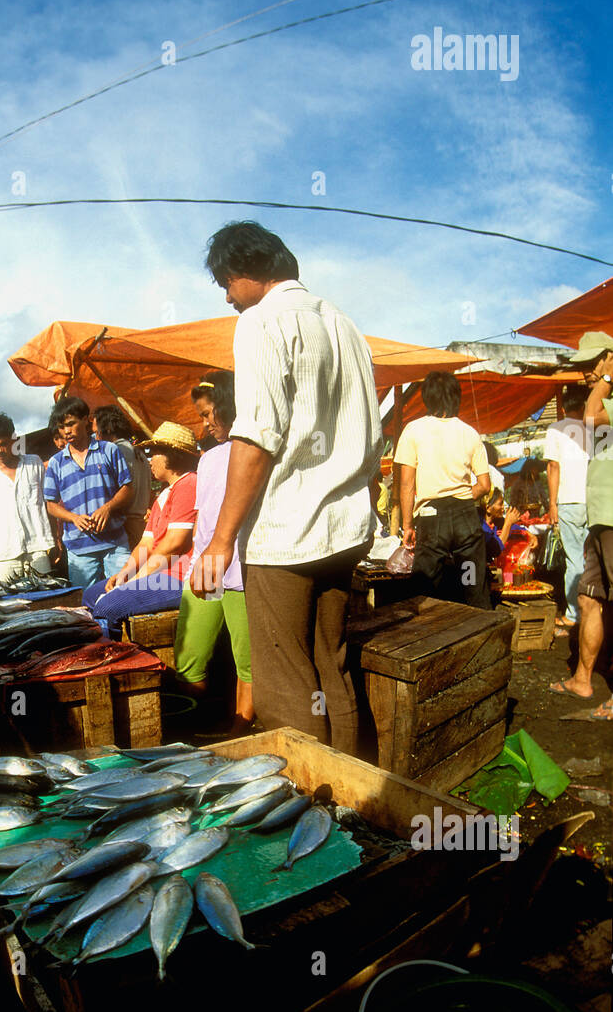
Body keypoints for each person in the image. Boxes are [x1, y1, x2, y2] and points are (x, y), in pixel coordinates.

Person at [189, 221, 382, 755]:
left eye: (225, 284)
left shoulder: (260, 322)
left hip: (285, 535)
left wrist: (221, 539)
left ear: (244, 270)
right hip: (343, 529)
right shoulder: (344, 324)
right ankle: (349, 802)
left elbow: (255, 437)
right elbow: (373, 433)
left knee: (284, 680)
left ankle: (308, 803)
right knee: (329, 664)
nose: (228, 297)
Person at [175, 375, 254, 733]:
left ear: (227, 405)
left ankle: (241, 735)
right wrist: (196, 562)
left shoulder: (254, 449)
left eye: (209, 414)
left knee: (248, 662)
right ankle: (193, 730)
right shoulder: (207, 458)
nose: (205, 423)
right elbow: (204, 520)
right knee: (190, 657)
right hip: (206, 566)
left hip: (242, 570)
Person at [82, 422, 198, 632]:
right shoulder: (164, 494)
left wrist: (137, 579)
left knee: (107, 607)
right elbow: (146, 542)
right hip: (161, 573)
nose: (150, 459)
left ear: (171, 455)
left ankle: (116, 657)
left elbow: (174, 544)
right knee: (91, 594)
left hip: (181, 577)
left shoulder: (189, 484)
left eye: (154, 453)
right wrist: (126, 573)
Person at [550, 331, 613, 717]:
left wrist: (606, 377)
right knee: (589, 598)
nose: (586, 374)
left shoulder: (605, 400)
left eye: (592, 364)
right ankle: (583, 678)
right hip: (599, 516)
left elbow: (590, 418)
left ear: (608, 359)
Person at [395, 372, 492, 609]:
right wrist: (465, 498)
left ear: (426, 398)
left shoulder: (414, 430)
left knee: (425, 589)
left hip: (431, 518)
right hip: (466, 519)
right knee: (472, 582)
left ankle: (427, 639)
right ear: (456, 398)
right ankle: (484, 634)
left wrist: (407, 525)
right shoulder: (470, 432)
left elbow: (407, 484)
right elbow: (485, 485)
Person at [43, 397, 133, 590]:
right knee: (86, 604)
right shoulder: (56, 462)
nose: (66, 431)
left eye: (70, 424)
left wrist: (108, 508)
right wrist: (73, 518)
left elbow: (128, 489)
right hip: (79, 549)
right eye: (61, 427)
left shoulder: (109, 450)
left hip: (115, 543)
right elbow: (51, 505)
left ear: (86, 420)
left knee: (124, 596)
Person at [0, 414, 56, 585]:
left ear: (13, 439)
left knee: (46, 604)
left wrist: (55, 539)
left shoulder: (34, 464)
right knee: (9, 606)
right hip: (3, 555)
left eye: (3, 444)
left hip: (38, 549)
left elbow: (48, 504)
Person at [545, 385, 590, 631]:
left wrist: (552, 503)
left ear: (562, 407)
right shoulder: (597, 427)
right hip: (594, 502)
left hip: (569, 501)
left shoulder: (556, 429)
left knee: (574, 561)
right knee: (592, 560)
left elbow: (553, 466)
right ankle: (597, 611)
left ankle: (574, 615)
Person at [92, 405, 153, 549]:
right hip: (142, 526)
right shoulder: (139, 453)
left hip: (125, 527)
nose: (95, 438)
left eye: (96, 432)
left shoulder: (115, 452)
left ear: (106, 430)